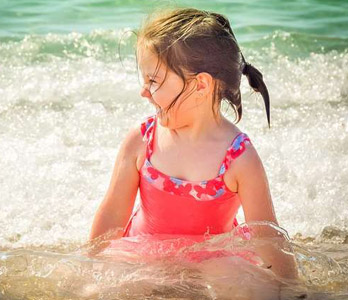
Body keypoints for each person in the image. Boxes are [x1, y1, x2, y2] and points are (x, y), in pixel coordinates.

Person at [89, 8, 298, 280]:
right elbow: (113, 214)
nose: (143, 91)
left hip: (214, 262)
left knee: (248, 289)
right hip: (143, 255)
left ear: (200, 85)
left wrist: (292, 288)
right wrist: (90, 266)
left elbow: (267, 235)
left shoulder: (238, 157)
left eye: (153, 80)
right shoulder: (142, 140)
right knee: (100, 290)